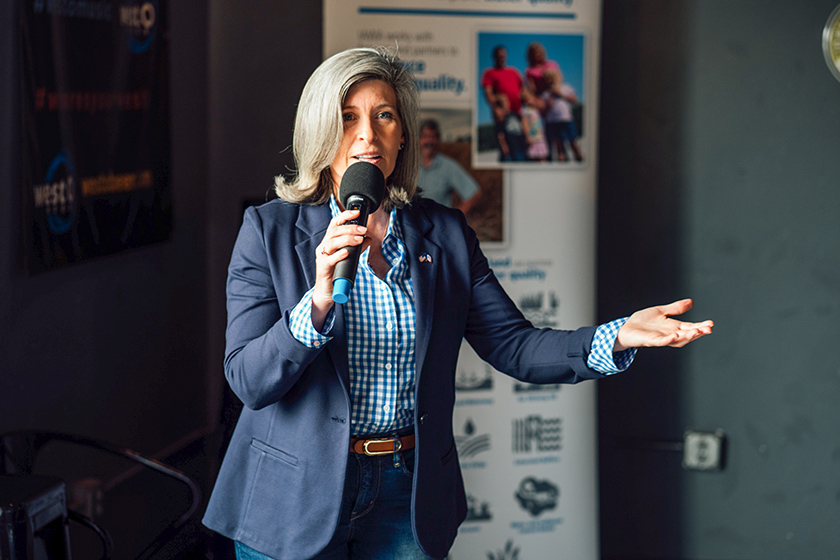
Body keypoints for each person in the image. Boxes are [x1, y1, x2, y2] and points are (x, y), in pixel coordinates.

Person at [202, 47, 713, 560]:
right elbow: (249, 380)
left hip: (407, 495)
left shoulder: (444, 233)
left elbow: (514, 345)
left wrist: (619, 334)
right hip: (293, 494)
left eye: (384, 116)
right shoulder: (268, 231)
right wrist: (315, 303)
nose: (367, 135)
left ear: (403, 134)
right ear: (319, 131)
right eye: (347, 117)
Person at [417, 119, 482, 214]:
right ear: (419, 139)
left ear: (438, 140)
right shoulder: (410, 166)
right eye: (425, 136)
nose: (429, 141)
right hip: (412, 226)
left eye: (433, 137)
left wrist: (453, 219)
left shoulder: (448, 166)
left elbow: (474, 193)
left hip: (438, 227)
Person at [481, 45, 528, 162]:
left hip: (518, 114)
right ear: (494, 57)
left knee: (522, 145)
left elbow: (523, 89)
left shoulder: (513, 71)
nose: (502, 58)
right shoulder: (489, 73)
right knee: (507, 148)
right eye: (499, 56)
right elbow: (488, 92)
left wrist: (529, 100)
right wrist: (495, 108)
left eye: (503, 56)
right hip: (503, 115)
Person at [542, 67, 584, 162]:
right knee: (558, 146)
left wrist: (560, 94)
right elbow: (543, 111)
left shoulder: (565, 87)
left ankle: (580, 161)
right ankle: (563, 165)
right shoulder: (545, 94)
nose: (549, 80)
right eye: (547, 79)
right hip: (552, 122)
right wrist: (548, 106)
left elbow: (574, 100)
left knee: (573, 143)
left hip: (566, 119)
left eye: (550, 77)